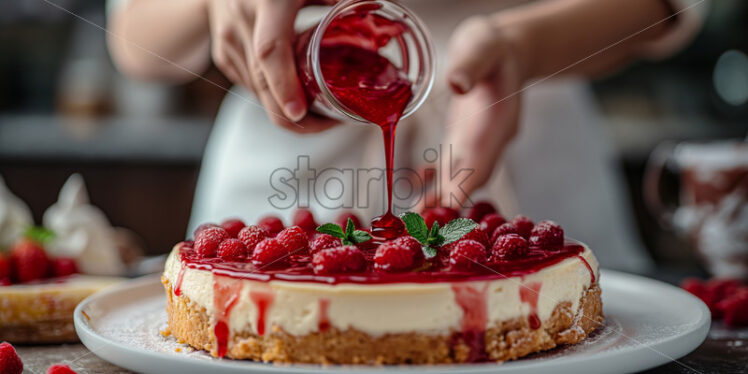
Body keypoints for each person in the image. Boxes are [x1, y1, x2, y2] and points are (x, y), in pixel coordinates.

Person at [107, 0, 706, 272]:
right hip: (276, 177)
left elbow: (664, 7)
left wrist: (522, 46)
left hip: (530, 151)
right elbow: (133, 35)